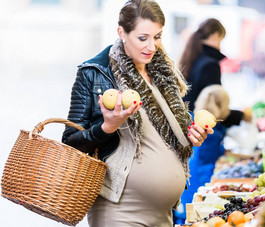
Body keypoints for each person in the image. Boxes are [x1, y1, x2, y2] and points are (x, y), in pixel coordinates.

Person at [62, 0, 213, 226]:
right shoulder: (95, 73)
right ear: (122, 33)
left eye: (157, 37)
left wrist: (193, 137)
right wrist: (107, 127)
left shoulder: (164, 75)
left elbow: (169, 140)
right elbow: (70, 144)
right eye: (143, 38)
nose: (151, 46)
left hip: (164, 214)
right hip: (120, 212)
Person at [174, 85, 252, 224]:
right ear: (224, 109)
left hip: (184, 180)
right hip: (197, 182)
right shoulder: (211, 132)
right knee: (193, 218)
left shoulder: (192, 120)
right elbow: (208, 162)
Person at [179, 18, 227, 112]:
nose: (220, 47)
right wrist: (241, 116)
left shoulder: (191, 57)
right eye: (221, 40)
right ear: (215, 36)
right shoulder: (211, 65)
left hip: (187, 119)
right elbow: (214, 106)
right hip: (200, 122)